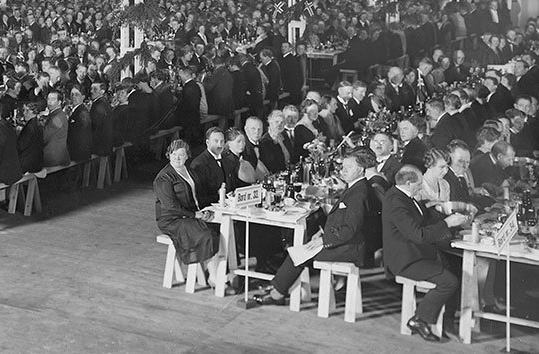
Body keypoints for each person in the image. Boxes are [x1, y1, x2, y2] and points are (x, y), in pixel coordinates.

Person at [255, 148, 375, 306]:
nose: (343, 170)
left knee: (299, 254)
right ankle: (278, 286)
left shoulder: (359, 193)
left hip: (350, 248)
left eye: (348, 168)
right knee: (301, 250)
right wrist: (322, 234)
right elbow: (344, 222)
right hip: (347, 242)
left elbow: (349, 229)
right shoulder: (356, 187)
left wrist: (324, 240)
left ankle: (277, 293)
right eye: (343, 166)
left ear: (360, 170)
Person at [383, 166, 470, 342]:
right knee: (449, 281)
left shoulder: (402, 196)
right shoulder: (396, 203)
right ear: (408, 183)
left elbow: (416, 218)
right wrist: (447, 223)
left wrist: (428, 206)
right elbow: (419, 235)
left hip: (416, 254)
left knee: (456, 270)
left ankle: (447, 321)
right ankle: (419, 319)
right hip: (406, 260)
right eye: (418, 184)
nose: (421, 187)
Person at [154, 139, 225, 286]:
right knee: (205, 233)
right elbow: (171, 206)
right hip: (172, 219)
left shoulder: (190, 171)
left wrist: (209, 207)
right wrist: (196, 215)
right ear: (168, 155)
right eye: (174, 154)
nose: (177, 158)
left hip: (191, 214)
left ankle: (219, 270)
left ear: (187, 156)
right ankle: (214, 277)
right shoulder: (164, 178)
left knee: (221, 228)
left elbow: (199, 195)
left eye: (181, 154)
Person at [189, 127, 230, 207]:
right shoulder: (199, 164)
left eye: (222, 141)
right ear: (207, 142)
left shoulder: (226, 159)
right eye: (216, 141)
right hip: (210, 208)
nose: (220, 145)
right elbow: (200, 196)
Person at [42, 89, 70, 167]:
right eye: (48, 99)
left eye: (53, 99)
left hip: (52, 158)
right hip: (59, 155)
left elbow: (44, 137)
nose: (49, 102)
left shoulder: (57, 118)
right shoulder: (59, 114)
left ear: (59, 102)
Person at [16, 101, 44, 174]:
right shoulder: (38, 125)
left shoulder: (29, 127)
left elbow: (20, 146)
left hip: (28, 165)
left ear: (34, 112)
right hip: (38, 163)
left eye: (27, 110)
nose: (24, 113)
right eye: (24, 110)